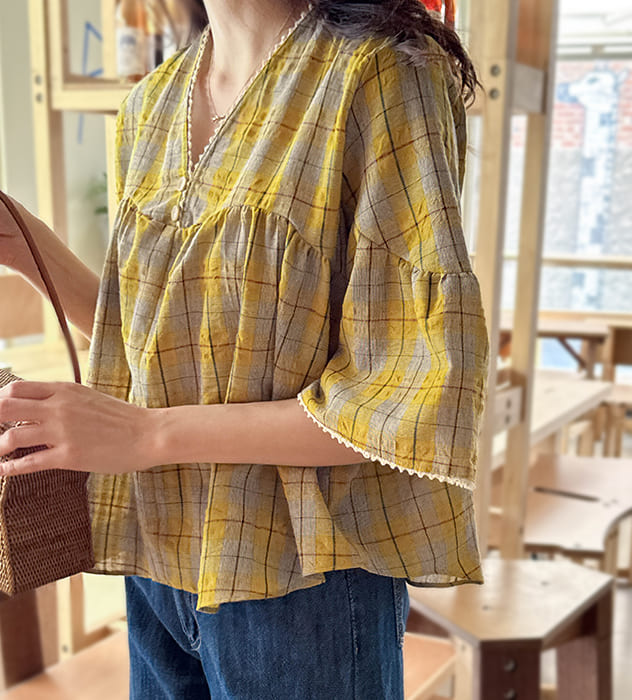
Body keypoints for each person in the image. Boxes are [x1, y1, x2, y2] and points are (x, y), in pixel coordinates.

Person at [0, 0, 489, 697]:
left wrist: (147, 433)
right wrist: (25, 245)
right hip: (157, 560)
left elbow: (404, 399)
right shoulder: (149, 105)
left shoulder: (377, 75)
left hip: (302, 581)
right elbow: (154, 339)